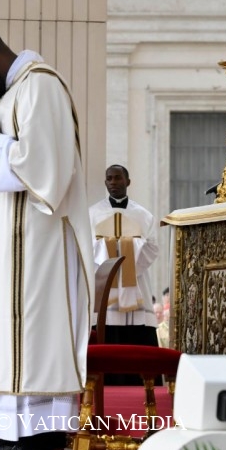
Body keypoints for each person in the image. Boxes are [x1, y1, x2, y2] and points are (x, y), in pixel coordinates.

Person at [0, 30, 94, 450]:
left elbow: (47, 168)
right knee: (11, 337)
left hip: (42, 240)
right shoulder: (14, 95)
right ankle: (11, 435)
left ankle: (40, 442)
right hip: (13, 242)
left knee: (36, 337)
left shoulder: (42, 87)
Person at [89, 164, 160, 384]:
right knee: (106, 330)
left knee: (137, 336)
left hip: (135, 284)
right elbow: (85, 245)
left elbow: (153, 247)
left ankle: (142, 383)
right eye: (109, 178)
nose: (113, 182)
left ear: (128, 181)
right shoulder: (92, 214)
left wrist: (129, 269)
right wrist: (110, 253)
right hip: (105, 286)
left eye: (118, 178)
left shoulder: (143, 215)